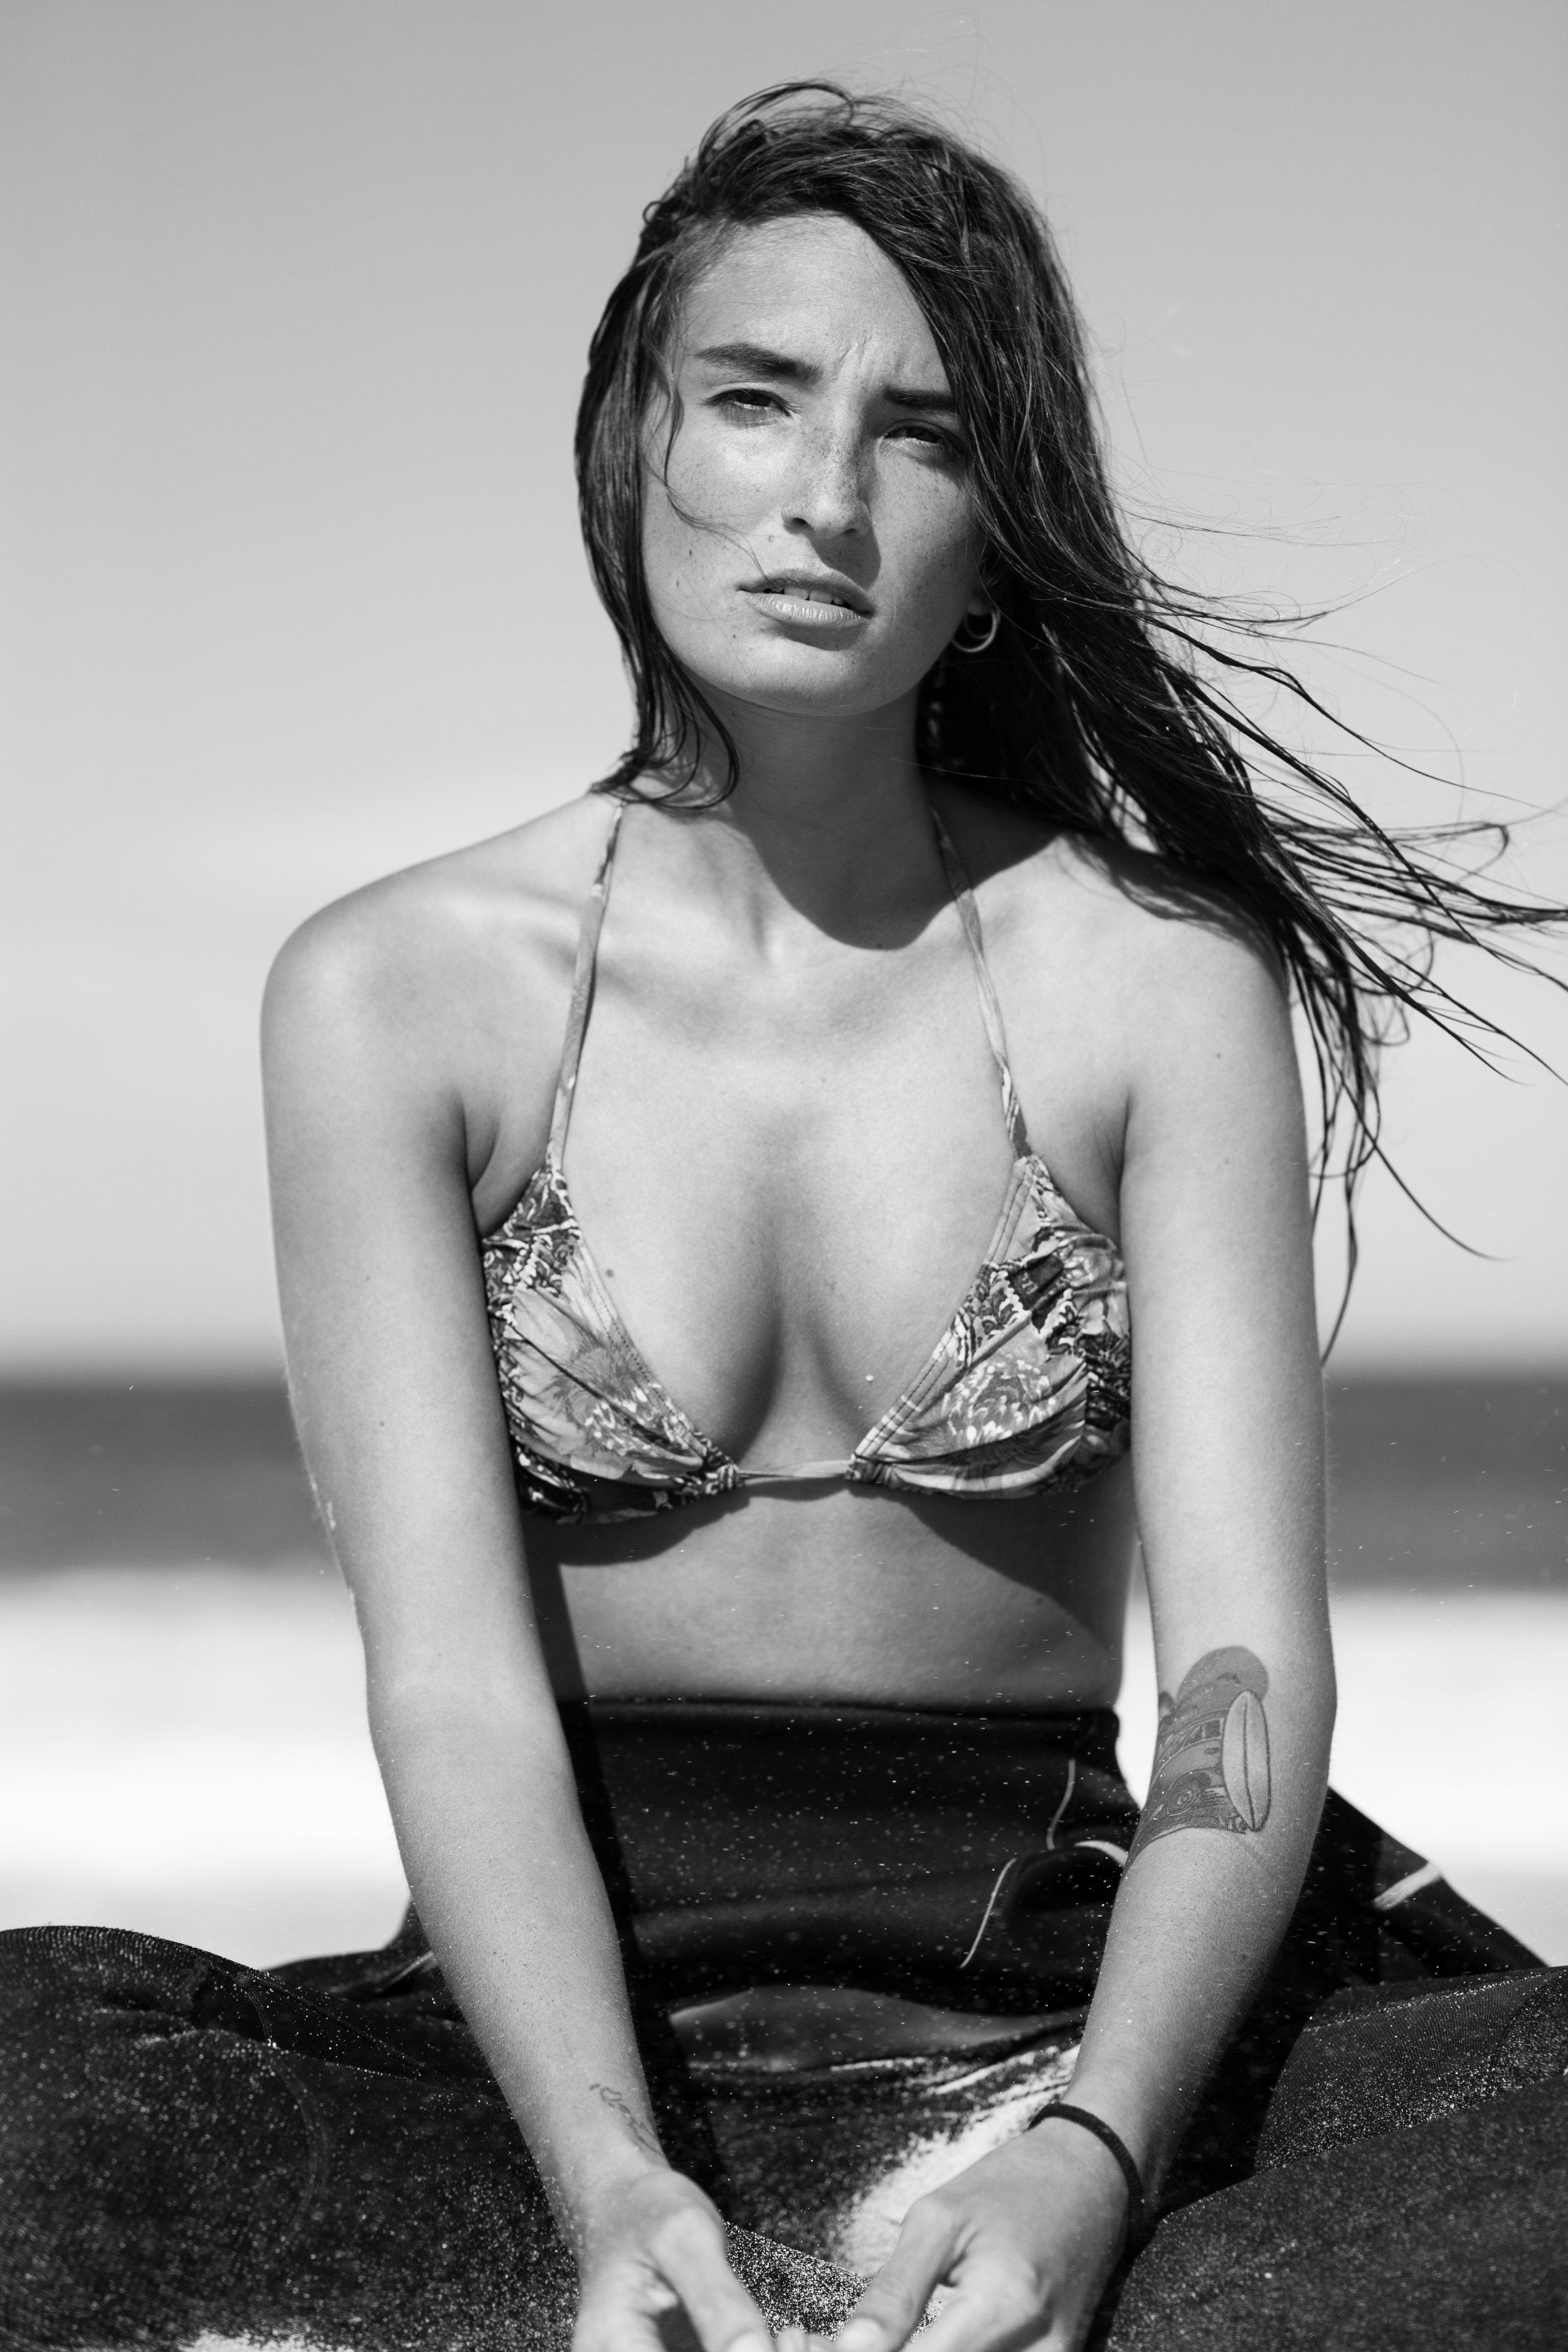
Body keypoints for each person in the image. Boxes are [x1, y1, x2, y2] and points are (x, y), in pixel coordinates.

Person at [2, 82, 1564, 2352]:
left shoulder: (1155, 987)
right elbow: (451, 1684)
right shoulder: (395, 996)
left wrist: (1095, 2154)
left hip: (1048, 1994)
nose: (824, 498)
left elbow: (1238, 1671)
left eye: (921, 437)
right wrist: (609, 2187)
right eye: (753, 400)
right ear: (632, 443)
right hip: (552, 2042)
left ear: (999, 538)